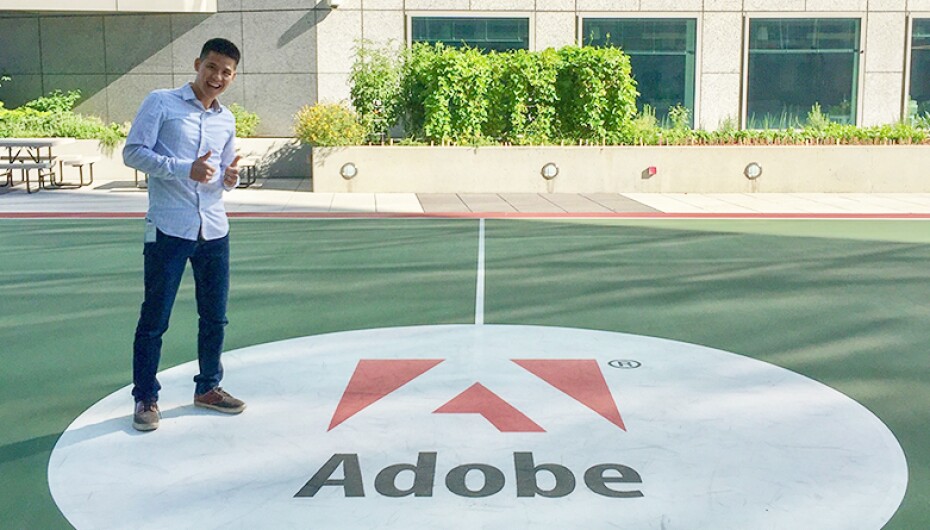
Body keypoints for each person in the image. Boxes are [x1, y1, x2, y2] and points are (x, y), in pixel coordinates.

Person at [123, 37, 246, 432]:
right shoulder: (161, 102)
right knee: (155, 318)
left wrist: (231, 177)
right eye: (212, 67)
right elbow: (133, 153)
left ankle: (208, 387)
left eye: (226, 72)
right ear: (198, 64)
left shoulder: (226, 119)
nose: (217, 77)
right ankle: (146, 396)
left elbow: (221, 173)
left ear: (233, 76)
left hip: (214, 228)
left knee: (215, 317)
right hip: (169, 228)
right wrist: (183, 168)